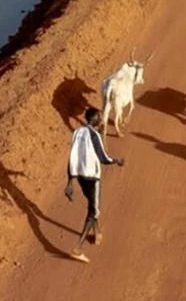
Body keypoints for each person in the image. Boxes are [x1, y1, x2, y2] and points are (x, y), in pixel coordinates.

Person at [64, 107, 124, 263]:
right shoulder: (94, 135)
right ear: (95, 120)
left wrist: (70, 181)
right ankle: (78, 248)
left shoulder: (77, 132)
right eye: (100, 118)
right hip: (92, 177)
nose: (102, 120)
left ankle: (97, 233)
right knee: (94, 211)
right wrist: (116, 161)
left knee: (92, 204)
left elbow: (72, 156)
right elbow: (104, 158)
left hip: (80, 177)